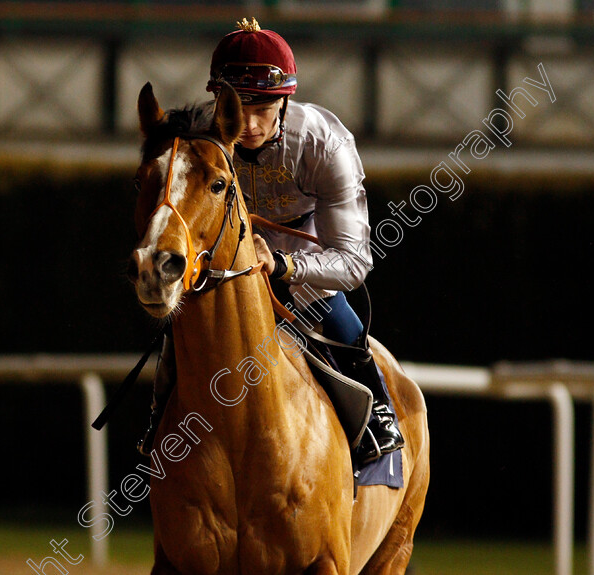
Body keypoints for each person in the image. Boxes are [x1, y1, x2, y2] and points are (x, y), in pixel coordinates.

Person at [139, 17, 403, 467]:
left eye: (263, 107)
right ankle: (159, 423)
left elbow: (355, 262)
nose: (248, 124)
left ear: (286, 99)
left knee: (345, 329)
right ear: (218, 101)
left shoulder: (325, 143)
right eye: (235, 106)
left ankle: (379, 418)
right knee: (176, 339)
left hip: (306, 271)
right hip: (228, 270)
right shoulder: (202, 136)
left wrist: (283, 265)